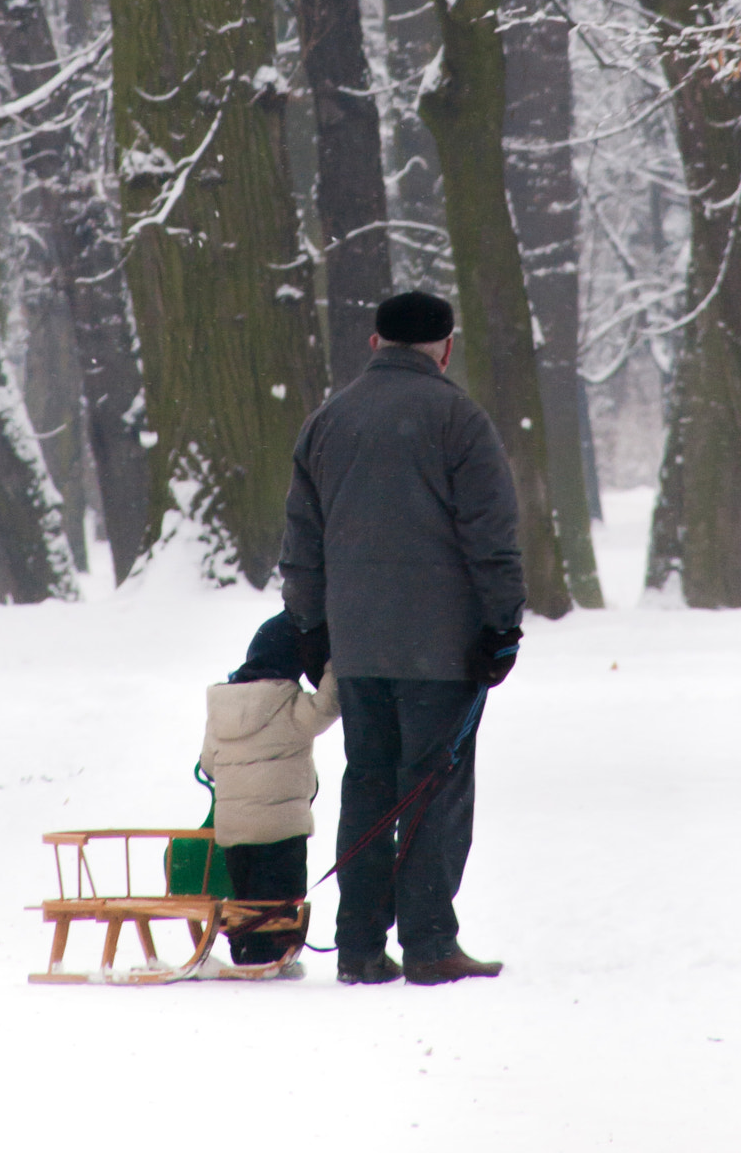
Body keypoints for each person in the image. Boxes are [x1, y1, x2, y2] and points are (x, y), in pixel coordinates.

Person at [280, 289, 525, 987]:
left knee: (368, 784)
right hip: (442, 647)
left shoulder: (327, 421)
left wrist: (311, 625)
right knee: (433, 790)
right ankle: (428, 942)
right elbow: (492, 536)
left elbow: (301, 541)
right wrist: (502, 624)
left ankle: (358, 944)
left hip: (357, 644)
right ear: (446, 347)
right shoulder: (459, 421)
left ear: (374, 342)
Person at [199, 610, 340, 970]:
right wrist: (334, 661)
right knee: (280, 898)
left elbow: (210, 765)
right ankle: (273, 952)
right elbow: (330, 703)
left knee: (245, 896)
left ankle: (246, 947)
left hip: (234, 831)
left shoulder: (221, 710)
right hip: (281, 829)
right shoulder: (290, 707)